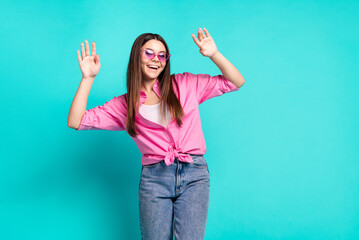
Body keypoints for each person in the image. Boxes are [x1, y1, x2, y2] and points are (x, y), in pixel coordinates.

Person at [68, 27, 245, 240]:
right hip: (154, 179)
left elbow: (236, 81)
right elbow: (76, 121)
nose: (156, 59)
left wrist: (214, 54)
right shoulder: (124, 105)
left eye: (162, 55)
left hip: (194, 175)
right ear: (137, 56)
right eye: (149, 53)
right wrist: (87, 78)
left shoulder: (185, 84)